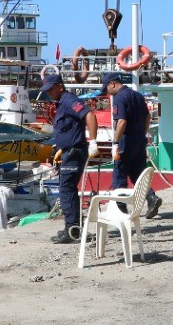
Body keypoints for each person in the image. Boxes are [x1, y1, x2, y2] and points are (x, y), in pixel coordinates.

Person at [39, 67, 99, 243]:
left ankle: (73, 229)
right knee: (68, 188)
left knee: (66, 188)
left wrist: (93, 141)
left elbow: (89, 115)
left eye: (50, 89)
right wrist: (61, 148)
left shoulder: (69, 100)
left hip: (74, 152)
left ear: (59, 86)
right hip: (69, 151)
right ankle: (73, 228)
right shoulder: (62, 102)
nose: (48, 93)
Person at [104, 73, 162, 217]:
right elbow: (147, 117)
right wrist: (143, 133)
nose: (107, 92)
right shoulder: (137, 96)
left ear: (112, 83)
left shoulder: (119, 97)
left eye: (106, 88)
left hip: (126, 139)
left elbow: (122, 121)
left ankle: (120, 208)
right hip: (139, 139)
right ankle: (151, 197)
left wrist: (115, 143)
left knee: (119, 174)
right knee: (137, 173)